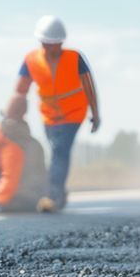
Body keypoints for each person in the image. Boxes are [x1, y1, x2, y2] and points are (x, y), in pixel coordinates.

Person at [13, 16, 101, 212]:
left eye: (54, 44)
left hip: (74, 114)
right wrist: (13, 115)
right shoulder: (31, 60)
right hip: (49, 116)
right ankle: (59, 190)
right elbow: (20, 90)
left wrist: (96, 114)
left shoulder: (74, 58)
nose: (50, 48)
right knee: (55, 152)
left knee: (59, 151)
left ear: (61, 42)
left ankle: (52, 197)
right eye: (46, 43)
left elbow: (89, 86)